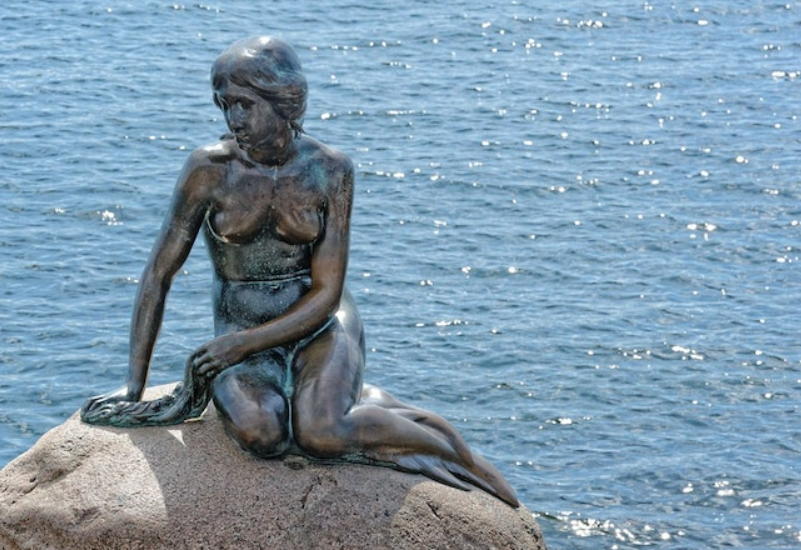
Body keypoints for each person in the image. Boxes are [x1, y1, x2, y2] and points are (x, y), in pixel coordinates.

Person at [81, 36, 519, 508]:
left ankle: (455, 454)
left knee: (321, 432)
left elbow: (328, 292)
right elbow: (157, 276)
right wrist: (134, 385)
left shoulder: (330, 169)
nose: (233, 119)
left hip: (319, 324)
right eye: (224, 105)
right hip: (243, 325)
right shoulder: (208, 170)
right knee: (261, 434)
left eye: (245, 104)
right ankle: (357, 401)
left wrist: (238, 346)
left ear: (283, 100)